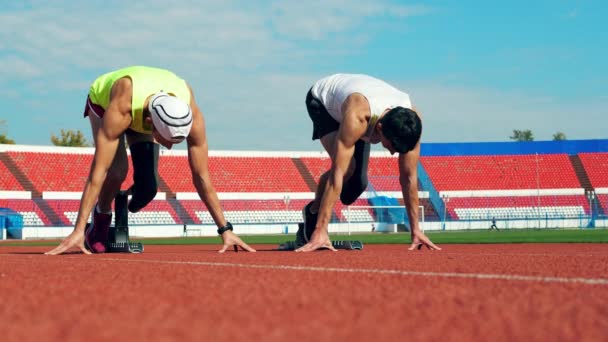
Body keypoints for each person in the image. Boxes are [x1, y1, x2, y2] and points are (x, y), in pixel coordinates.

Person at [46, 66, 255, 255]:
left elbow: (201, 175)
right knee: (118, 171)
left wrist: (225, 230)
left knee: (148, 186)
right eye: (167, 140)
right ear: (150, 124)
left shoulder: (189, 107)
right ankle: (101, 218)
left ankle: (124, 204)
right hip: (104, 103)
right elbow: (98, 172)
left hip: (145, 105)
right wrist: (78, 229)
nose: (170, 147)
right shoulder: (123, 107)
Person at [296, 73, 440, 252]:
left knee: (356, 186)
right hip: (322, 102)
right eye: (392, 146)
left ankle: (315, 216)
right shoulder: (358, 117)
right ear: (379, 129)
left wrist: (416, 230)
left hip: (360, 105)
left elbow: (409, 177)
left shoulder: (411, 122)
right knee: (347, 169)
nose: (393, 152)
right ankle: (313, 214)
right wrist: (321, 230)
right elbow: (337, 173)